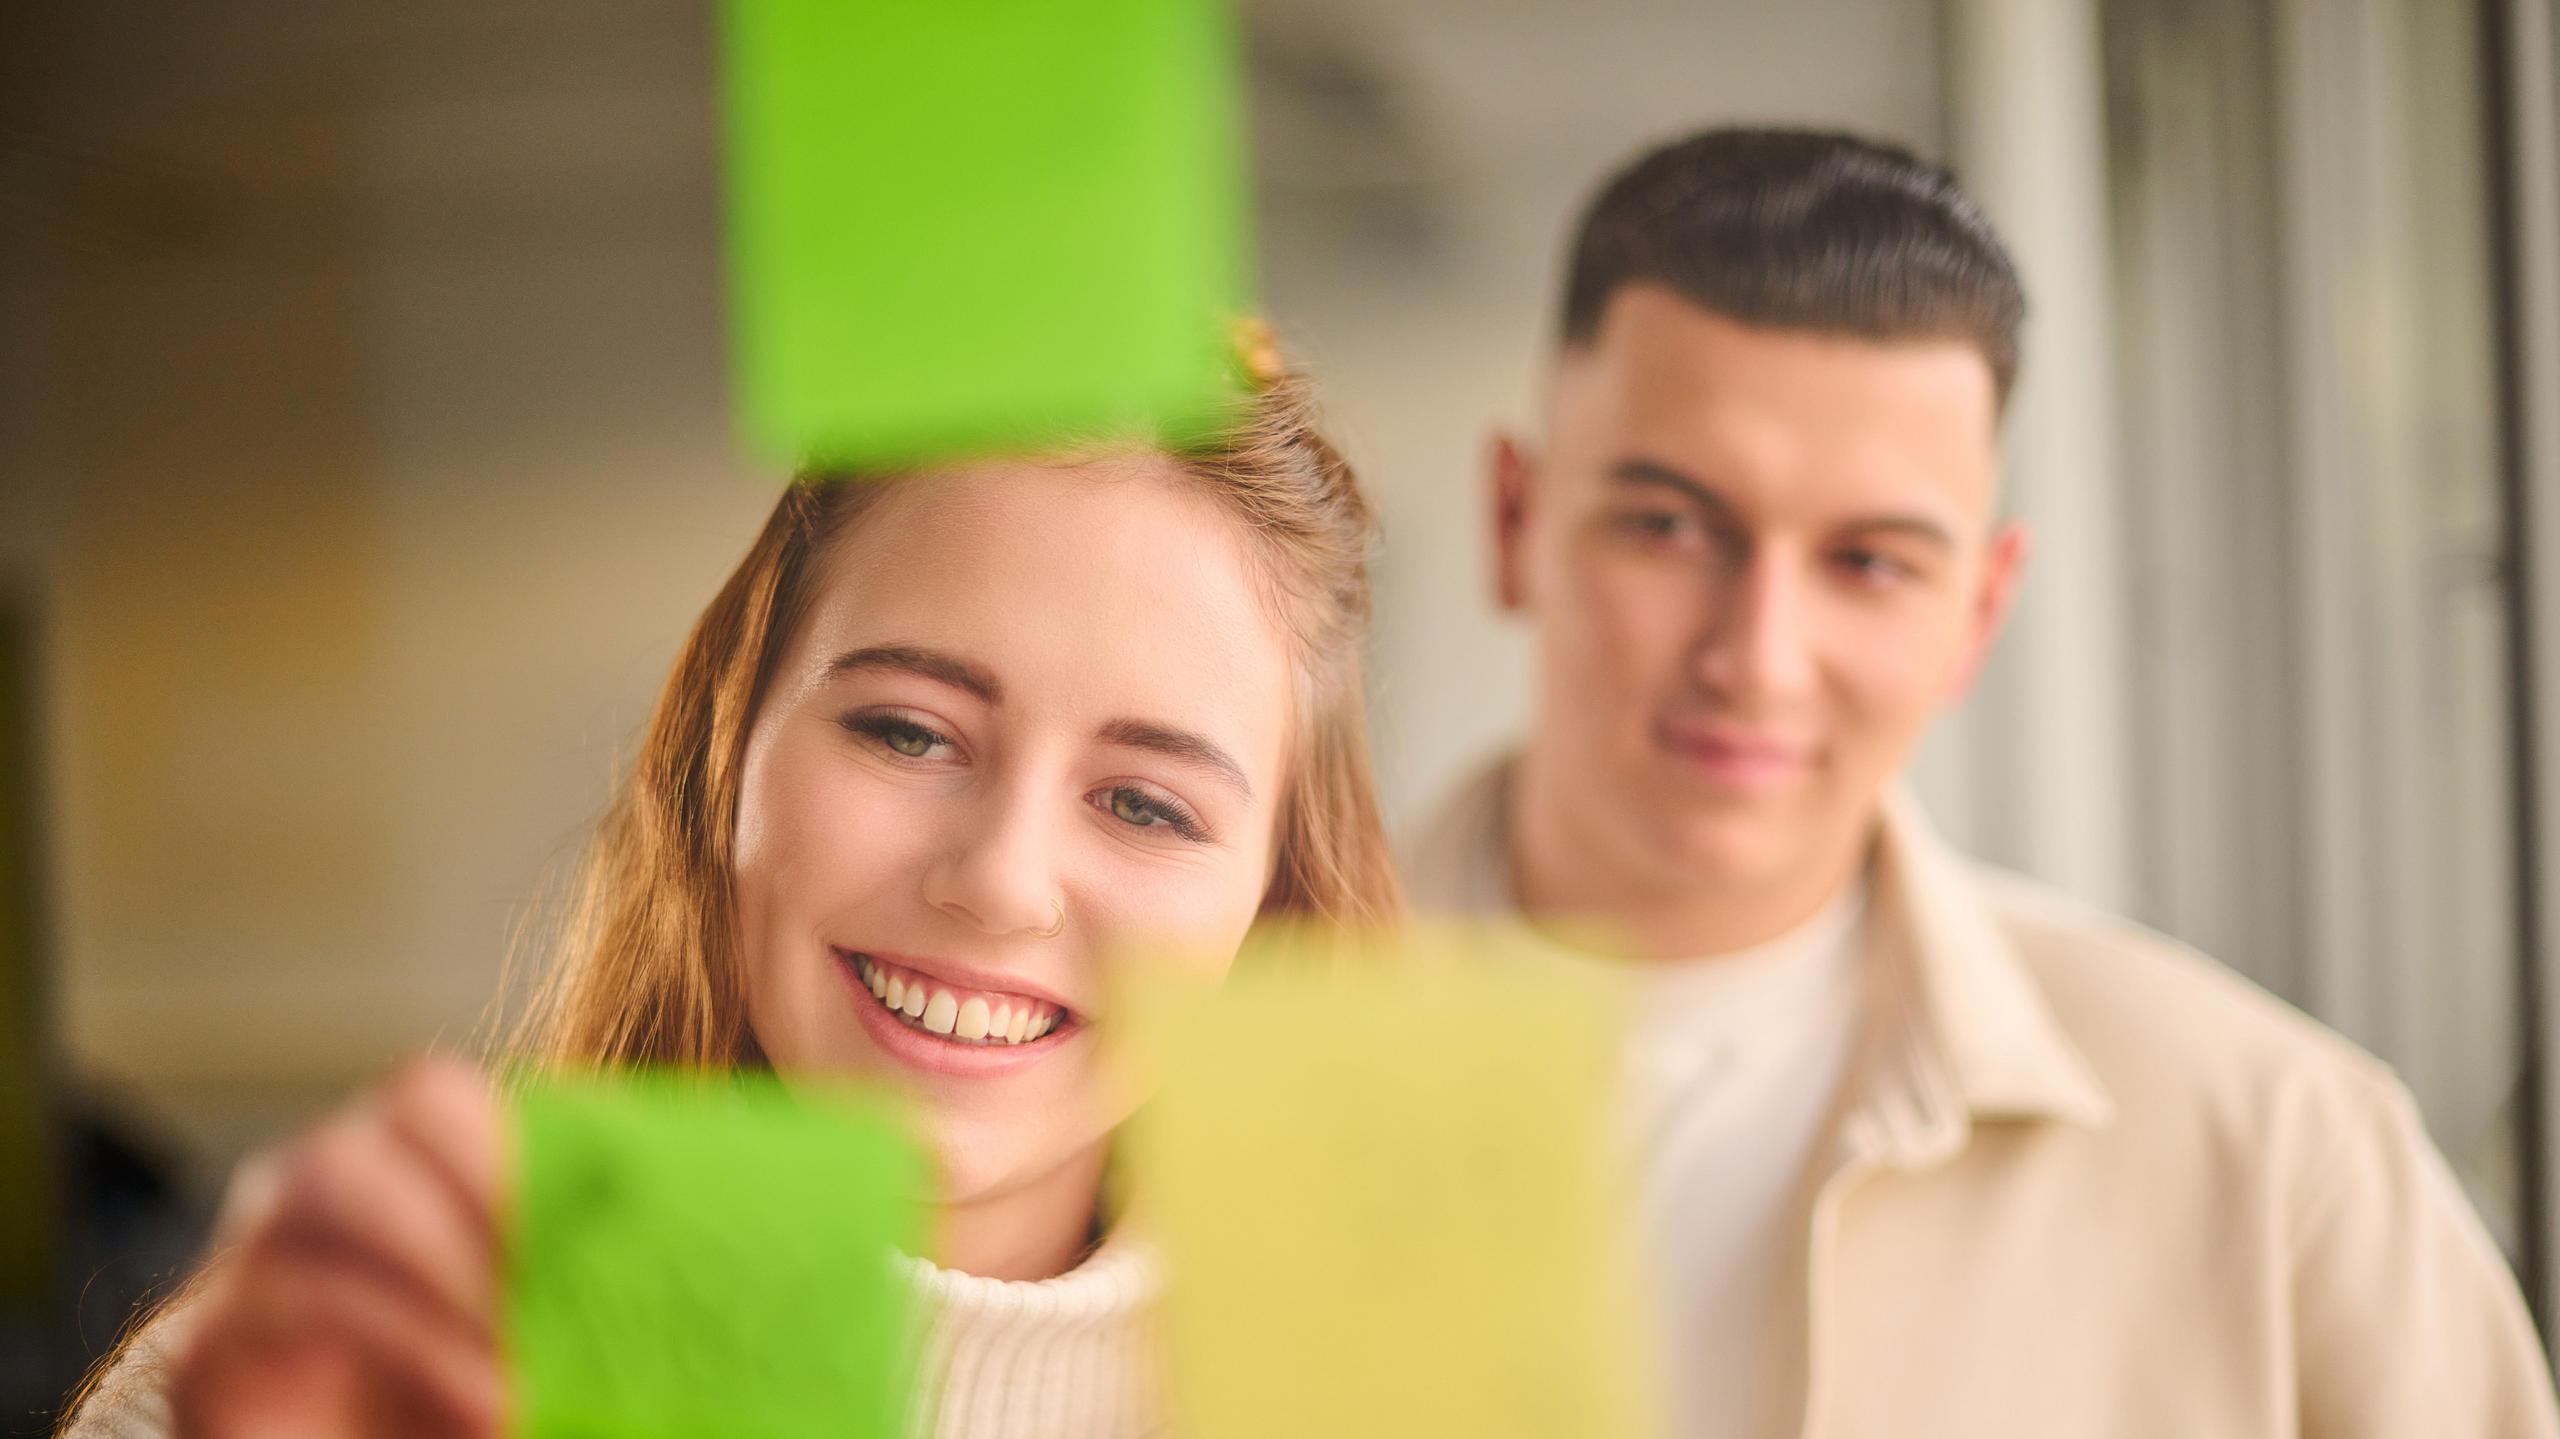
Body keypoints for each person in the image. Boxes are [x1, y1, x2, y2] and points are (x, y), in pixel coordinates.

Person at [1402, 126, 2560, 1437]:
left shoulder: (2284, 1155)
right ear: (1515, 522)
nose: (1758, 658)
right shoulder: (1184, 1061)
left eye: (1872, 563)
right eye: (1670, 527)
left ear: (1980, 610)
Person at [62, 350, 1398, 1439]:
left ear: (1271, 912)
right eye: (907, 730)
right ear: (726, 746)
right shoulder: (318, 1387)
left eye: (1146, 805)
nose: (1000, 881)